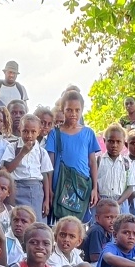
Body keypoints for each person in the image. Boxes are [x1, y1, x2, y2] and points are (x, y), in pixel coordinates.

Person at [45, 90, 100, 221]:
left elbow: (92, 162)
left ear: (82, 110)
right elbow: (49, 165)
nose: (73, 114)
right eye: (69, 110)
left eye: (77, 110)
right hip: (60, 186)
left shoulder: (88, 133)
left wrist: (94, 188)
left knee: (79, 226)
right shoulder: (54, 133)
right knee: (60, 225)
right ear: (62, 109)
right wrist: (50, 190)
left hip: (82, 186)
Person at [96, 124, 135, 212]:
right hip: (101, 201)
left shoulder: (127, 163)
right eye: (111, 141)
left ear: (124, 142)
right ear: (104, 141)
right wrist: (97, 196)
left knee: (122, 221)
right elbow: (92, 182)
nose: (114, 145)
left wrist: (118, 202)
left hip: (121, 202)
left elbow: (130, 187)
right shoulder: (98, 161)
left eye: (118, 142)